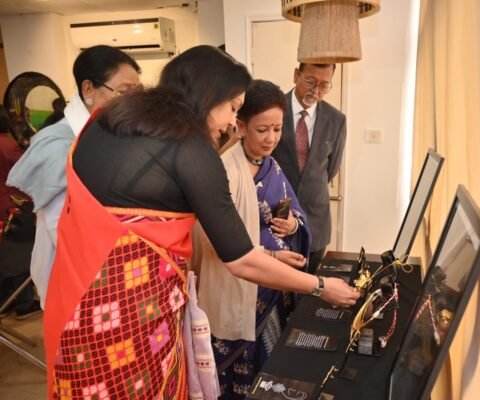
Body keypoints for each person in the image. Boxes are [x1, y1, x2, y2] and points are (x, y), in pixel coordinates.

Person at [43, 45, 358, 400]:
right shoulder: (191, 151)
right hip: (127, 320)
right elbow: (240, 259)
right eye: (233, 108)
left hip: (70, 301)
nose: (232, 124)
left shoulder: (107, 120)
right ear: (209, 95)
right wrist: (320, 286)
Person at [190, 80, 311, 398]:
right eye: (262, 130)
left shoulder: (271, 165)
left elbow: (295, 211)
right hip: (242, 290)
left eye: (277, 129)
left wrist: (293, 226)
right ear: (241, 126)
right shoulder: (224, 172)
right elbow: (214, 241)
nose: (271, 138)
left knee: (271, 373)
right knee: (242, 380)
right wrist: (272, 256)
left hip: (275, 292)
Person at [7, 45, 141, 308]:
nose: (133, 103)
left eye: (137, 93)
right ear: (88, 89)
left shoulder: (111, 133)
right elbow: (62, 231)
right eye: (124, 92)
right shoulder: (56, 145)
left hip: (114, 273)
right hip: (77, 281)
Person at [271, 63, 347, 274]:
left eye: (324, 85)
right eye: (310, 82)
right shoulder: (274, 109)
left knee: (310, 288)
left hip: (315, 223)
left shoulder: (336, 120)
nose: (315, 91)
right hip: (276, 219)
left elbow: (331, 169)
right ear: (296, 75)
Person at [0, 104, 40, 320]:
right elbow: (28, 171)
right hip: (12, 206)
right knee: (20, 253)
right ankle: (24, 303)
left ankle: (5, 301)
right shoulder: (7, 146)